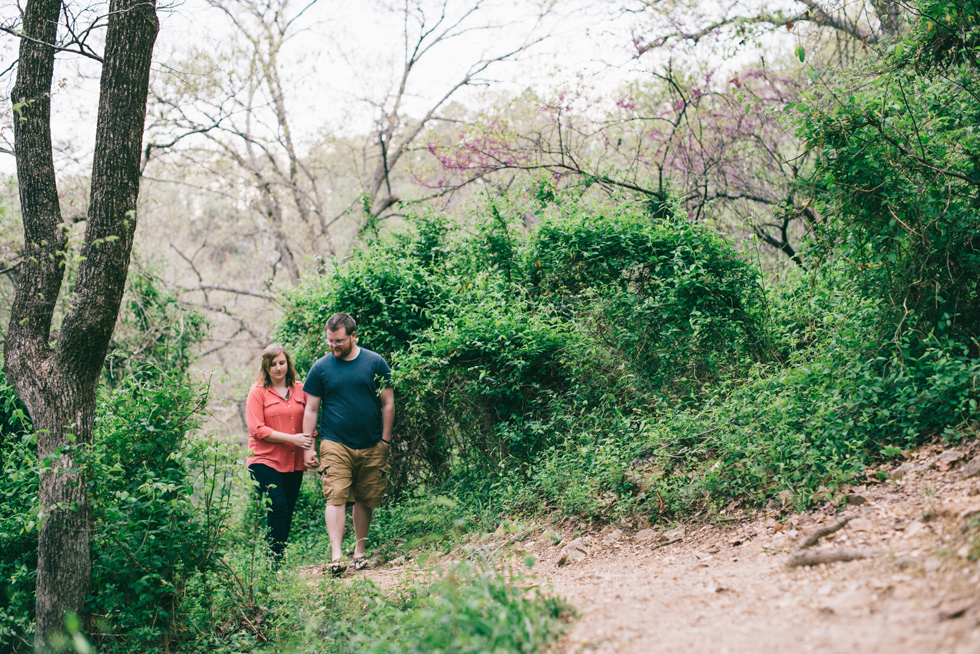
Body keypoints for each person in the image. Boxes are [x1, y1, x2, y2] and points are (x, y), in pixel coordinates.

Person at [302, 312, 394, 575]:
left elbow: (388, 403)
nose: (333, 346)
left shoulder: (375, 362)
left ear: (354, 336)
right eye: (330, 341)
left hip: (372, 442)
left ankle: (360, 552)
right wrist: (308, 447)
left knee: (365, 498)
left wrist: (385, 441)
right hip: (334, 442)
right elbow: (311, 409)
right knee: (336, 496)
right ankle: (336, 556)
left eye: (339, 341)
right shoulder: (321, 367)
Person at [245, 344, 314, 566]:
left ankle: (276, 563)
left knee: (286, 512)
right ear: (266, 367)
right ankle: (272, 565)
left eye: (281, 363)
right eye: (273, 364)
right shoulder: (257, 392)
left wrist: (309, 453)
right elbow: (257, 429)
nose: (278, 368)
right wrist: (292, 439)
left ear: (288, 363)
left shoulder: (301, 389)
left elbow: (310, 425)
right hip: (263, 460)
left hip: (292, 463)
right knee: (278, 507)